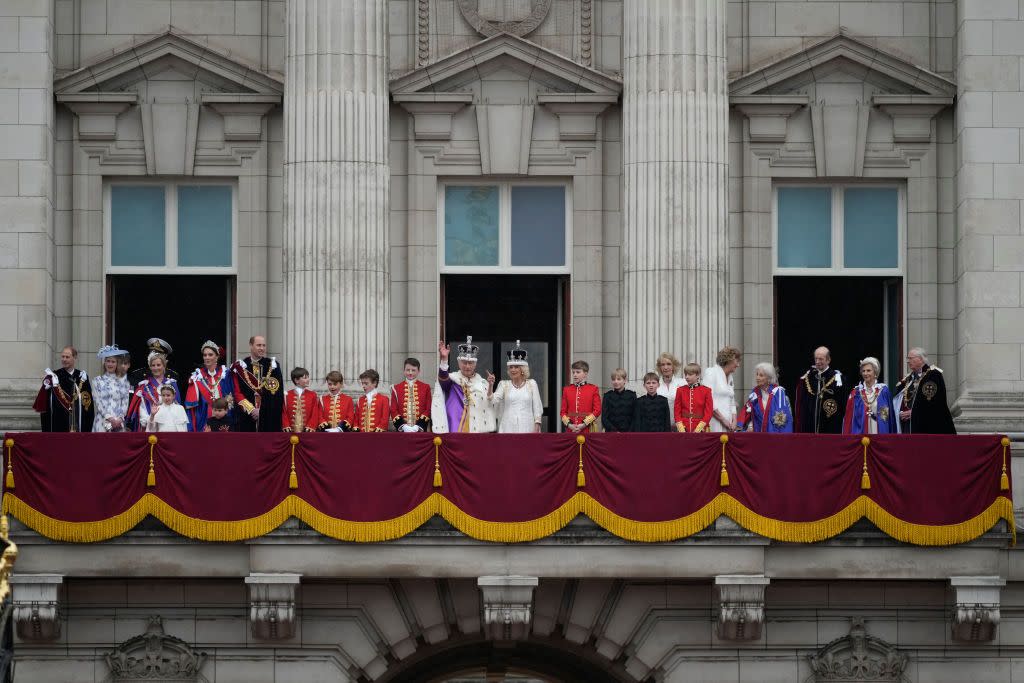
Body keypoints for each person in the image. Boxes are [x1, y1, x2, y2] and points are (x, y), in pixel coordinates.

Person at [432, 337, 497, 433]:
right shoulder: (453, 380)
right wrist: (444, 360)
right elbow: (443, 380)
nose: (467, 366)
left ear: (475, 364)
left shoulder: (483, 383)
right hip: (457, 428)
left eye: (470, 363)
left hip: (478, 432)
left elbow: (491, 404)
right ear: (459, 363)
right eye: (464, 362)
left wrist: (491, 386)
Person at [892, 347, 956, 434]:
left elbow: (933, 402)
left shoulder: (933, 375)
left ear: (921, 359)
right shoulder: (908, 379)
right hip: (907, 424)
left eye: (910, 358)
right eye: (908, 358)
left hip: (927, 426)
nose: (908, 361)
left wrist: (914, 412)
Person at [33, 346, 94, 432]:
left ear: (75, 357)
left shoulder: (82, 377)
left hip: (77, 426)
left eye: (67, 357)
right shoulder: (54, 376)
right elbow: (45, 403)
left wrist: (87, 426)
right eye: (63, 357)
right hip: (58, 424)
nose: (64, 359)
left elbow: (88, 404)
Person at [231, 335, 284, 432]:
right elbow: (237, 392)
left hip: (268, 417)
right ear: (251, 346)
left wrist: (262, 410)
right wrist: (251, 409)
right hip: (246, 416)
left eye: (264, 345)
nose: (262, 348)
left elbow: (276, 393)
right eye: (259, 345)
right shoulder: (241, 366)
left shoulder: (273, 365)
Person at [490, 341, 544, 433]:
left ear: (522, 369)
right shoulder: (504, 384)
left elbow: (537, 407)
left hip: (527, 426)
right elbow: (493, 399)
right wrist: (491, 385)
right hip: (508, 427)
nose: (513, 370)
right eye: (511, 367)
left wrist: (537, 424)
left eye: (516, 367)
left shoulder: (531, 384)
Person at [185, 341, 234, 433]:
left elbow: (230, 397)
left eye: (210, 355)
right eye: (205, 355)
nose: (207, 357)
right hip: (203, 418)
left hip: (223, 420)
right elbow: (191, 405)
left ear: (217, 357)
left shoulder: (225, 374)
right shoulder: (197, 376)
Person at [125, 350, 180, 432]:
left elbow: (177, 408)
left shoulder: (172, 384)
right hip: (150, 427)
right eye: (153, 365)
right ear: (150, 367)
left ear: (164, 366)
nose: (156, 368)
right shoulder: (144, 386)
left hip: (169, 427)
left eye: (158, 365)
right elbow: (141, 409)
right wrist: (150, 420)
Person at [794, 346, 845, 433]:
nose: (817, 362)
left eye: (821, 359)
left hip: (830, 424)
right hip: (810, 425)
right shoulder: (808, 378)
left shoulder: (837, 379)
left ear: (828, 360)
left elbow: (842, 404)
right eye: (816, 359)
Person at [843, 356, 897, 435]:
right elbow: (849, 419)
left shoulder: (883, 391)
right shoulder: (856, 393)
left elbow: (885, 417)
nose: (865, 373)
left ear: (875, 372)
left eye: (868, 371)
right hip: (860, 435)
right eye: (863, 371)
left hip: (879, 433)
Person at [738, 362, 793, 433]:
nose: (757, 378)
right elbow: (748, 413)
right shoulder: (755, 393)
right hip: (758, 433)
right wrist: (750, 426)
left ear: (769, 378)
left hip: (774, 434)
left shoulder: (778, 392)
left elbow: (783, 417)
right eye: (757, 375)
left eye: (761, 375)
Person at [92, 344, 130, 432]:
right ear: (104, 363)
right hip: (102, 421)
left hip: (119, 423)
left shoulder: (124, 382)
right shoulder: (97, 381)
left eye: (113, 362)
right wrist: (109, 418)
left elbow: (125, 403)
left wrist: (120, 419)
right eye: (108, 361)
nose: (110, 364)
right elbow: (98, 403)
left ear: (117, 364)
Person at [703, 346, 741, 432]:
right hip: (714, 423)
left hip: (729, 425)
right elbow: (708, 400)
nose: (738, 365)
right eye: (737, 361)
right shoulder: (711, 372)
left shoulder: (730, 377)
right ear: (729, 360)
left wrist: (734, 420)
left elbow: (732, 400)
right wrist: (723, 420)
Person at [391, 357, 432, 433]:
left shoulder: (426, 387)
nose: (410, 373)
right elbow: (393, 410)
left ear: (419, 371)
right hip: (402, 432)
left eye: (413, 370)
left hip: (420, 431)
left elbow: (428, 409)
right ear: (404, 371)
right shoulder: (396, 388)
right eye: (408, 370)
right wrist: (403, 426)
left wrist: (419, 426)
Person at [560, 360, 601, 433]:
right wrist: (570, 425)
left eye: (578, 372)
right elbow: (563, 412)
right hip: (571, 430)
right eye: (573, 372)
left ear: (585, 374)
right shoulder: (567, 389)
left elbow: (597, 410)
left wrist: (584, 424)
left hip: (587, 429)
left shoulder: (593, 389)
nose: (575, 375)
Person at [674, 362, 713, 433]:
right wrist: (681, 428)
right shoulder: (680, 390)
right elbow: (677, 411)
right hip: (684, 428)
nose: (686, 377)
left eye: (690, 374)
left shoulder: (706, 391)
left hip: (701, 428)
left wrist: (699, 428)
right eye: (686, 374)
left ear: (698, 375)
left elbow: (708, 413)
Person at [282, 367, 321, 433]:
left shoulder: (312, 394)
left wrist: (311, 426)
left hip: (307, 432)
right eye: (305, 378)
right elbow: (283, 412)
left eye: (308, 377)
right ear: (296, 380)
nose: (308, 379)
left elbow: (315, 412)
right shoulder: (286, 395)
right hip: (290, 432)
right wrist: (286, 425)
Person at [601, 368, 636, 433]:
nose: (616, 382)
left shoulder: (632, 395)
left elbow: (635, 417)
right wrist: (614, 431)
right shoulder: (607, 396)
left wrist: (629, 432)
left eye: (619, 379)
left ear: (625, 380)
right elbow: (604, 418)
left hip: (629, 433)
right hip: (611, 433)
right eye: (613, 379)